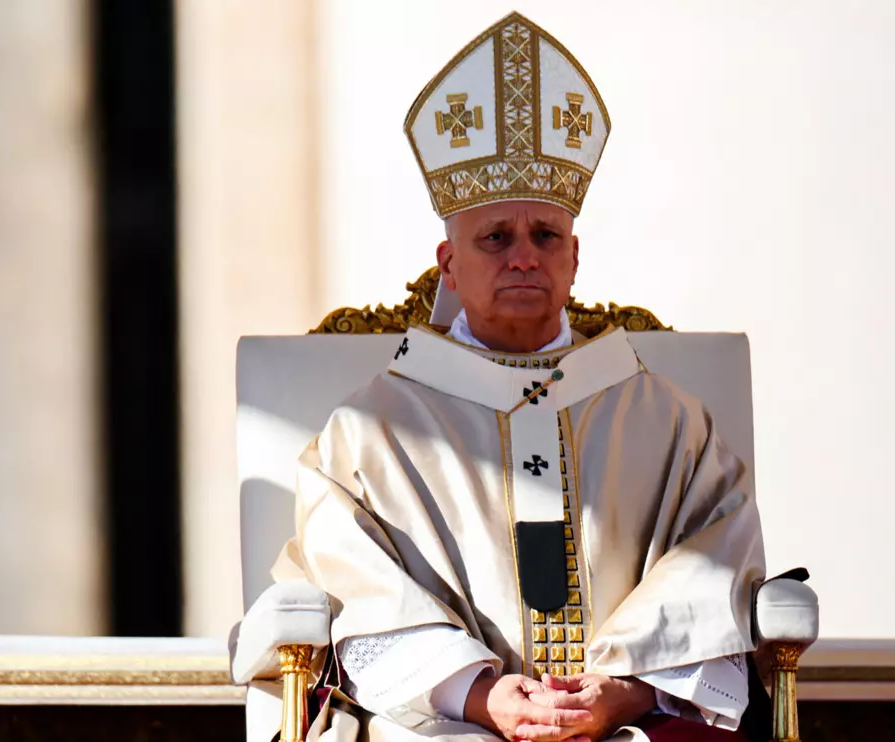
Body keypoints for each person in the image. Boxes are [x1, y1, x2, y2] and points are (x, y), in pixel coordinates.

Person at [270, 12, 765, 742]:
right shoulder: (369, 431)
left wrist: (623, 690)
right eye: (495, 238)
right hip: (441, 723)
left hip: (623, 721)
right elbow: (348, 580)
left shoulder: (666, 420)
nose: (522, 257)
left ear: (573, 259)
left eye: (544, 237)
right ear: (448, 263)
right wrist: (479, 693)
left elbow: (718, 555)